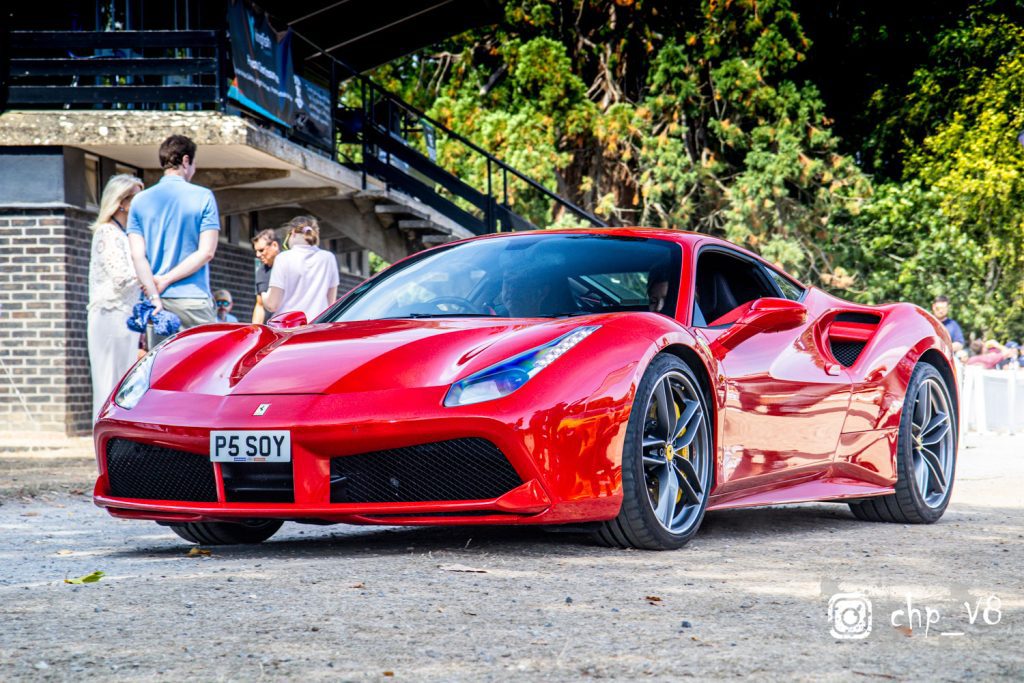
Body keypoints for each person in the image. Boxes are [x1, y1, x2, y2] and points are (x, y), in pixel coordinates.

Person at [127, 134, 219, 342]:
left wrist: (153, 293)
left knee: (162, 370)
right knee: (204, 368)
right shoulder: (203, 196)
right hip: (193, 300)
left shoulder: (139, 201)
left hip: (158, 304)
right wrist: (166, 279)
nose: (194, 170)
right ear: (186, 161)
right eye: (194, 164)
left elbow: (137, 256)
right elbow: (206, 252)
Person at [87, 174, 144, 420]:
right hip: (111, 314)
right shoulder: (107, 233)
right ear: (123, 202)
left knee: (122, 380)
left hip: (126, 315)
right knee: (108, 381)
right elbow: (121, 277)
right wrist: (149, 276)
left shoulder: (124, 234)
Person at [262, 216, 339, 322]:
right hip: (318, 326)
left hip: (288, 327)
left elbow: (272, 305)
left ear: (292, 232)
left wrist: (263, 294)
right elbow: (331, 303)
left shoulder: (283, 258)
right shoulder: (328, 258)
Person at [251, 228, 281, 324]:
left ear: (274, 245)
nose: (258, 255)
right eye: (256, 251)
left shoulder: (289, 265)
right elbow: (259, 305)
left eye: (261, 250)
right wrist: (255, 330)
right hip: (271, 328)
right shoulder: (261, 271)